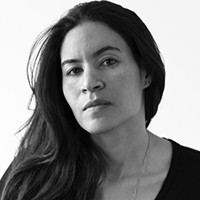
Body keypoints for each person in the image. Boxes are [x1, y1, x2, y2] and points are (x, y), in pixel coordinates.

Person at [0, 1, 200, 200]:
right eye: (74, 71)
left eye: (108, 61)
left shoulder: (194, 176)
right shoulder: (30, 180)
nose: (89, 83)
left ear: (145, 71)